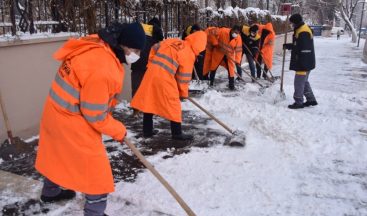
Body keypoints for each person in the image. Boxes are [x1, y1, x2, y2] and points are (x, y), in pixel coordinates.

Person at [35, 22, 146, 215]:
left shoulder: (95, 44)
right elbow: (95, 115)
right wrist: (119, 130)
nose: (135, 54)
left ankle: (50, 192)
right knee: (96, 171)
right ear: (122, 44)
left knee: (56, 155)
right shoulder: (103, 68)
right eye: (134, 49)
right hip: (73, 121)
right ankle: (94, 211)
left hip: (55, 112)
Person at [131, 31, 207, 144]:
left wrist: (151, 63)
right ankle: (177, 134)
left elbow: (155, 47)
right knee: (174, 104)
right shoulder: (188, 53)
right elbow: (183, 77)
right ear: (200, 44)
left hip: (151, 73)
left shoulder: (174, 41)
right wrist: (183, 93)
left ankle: (147, 131)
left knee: (149, 100)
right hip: (164, 77)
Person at [283, 13, 318, 109]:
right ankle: (311, 99)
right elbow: (298, 44)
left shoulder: (303, 31)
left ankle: (298, 102)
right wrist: (290, 46)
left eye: (292, 23)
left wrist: (291, 47)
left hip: (303, 62)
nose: (291, 24)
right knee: (304, 81)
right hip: (305, 61)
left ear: (296, 22)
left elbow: (304, 49)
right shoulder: (301, 29)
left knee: (299, 82)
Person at [131, 18, 164, 98]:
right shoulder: (157, 32)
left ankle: (136, 108)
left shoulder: (140, 29)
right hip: (150, 63)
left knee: (136, 85)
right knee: (148, 86)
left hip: (136, 61)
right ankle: (146, 106)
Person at [204, 25, 242, 90]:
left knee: (231, 70)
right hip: (218, 53)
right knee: (213, 68)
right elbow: (210, 31)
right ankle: (210, 83)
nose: (235, 34)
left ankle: (231, 86)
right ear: (232, 29)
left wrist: (237, 61)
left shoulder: (238, 38)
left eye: (237, 33)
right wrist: (214, 41)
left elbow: (239, 50)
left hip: (229, 55)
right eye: (235, 32)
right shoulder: (223, 31)